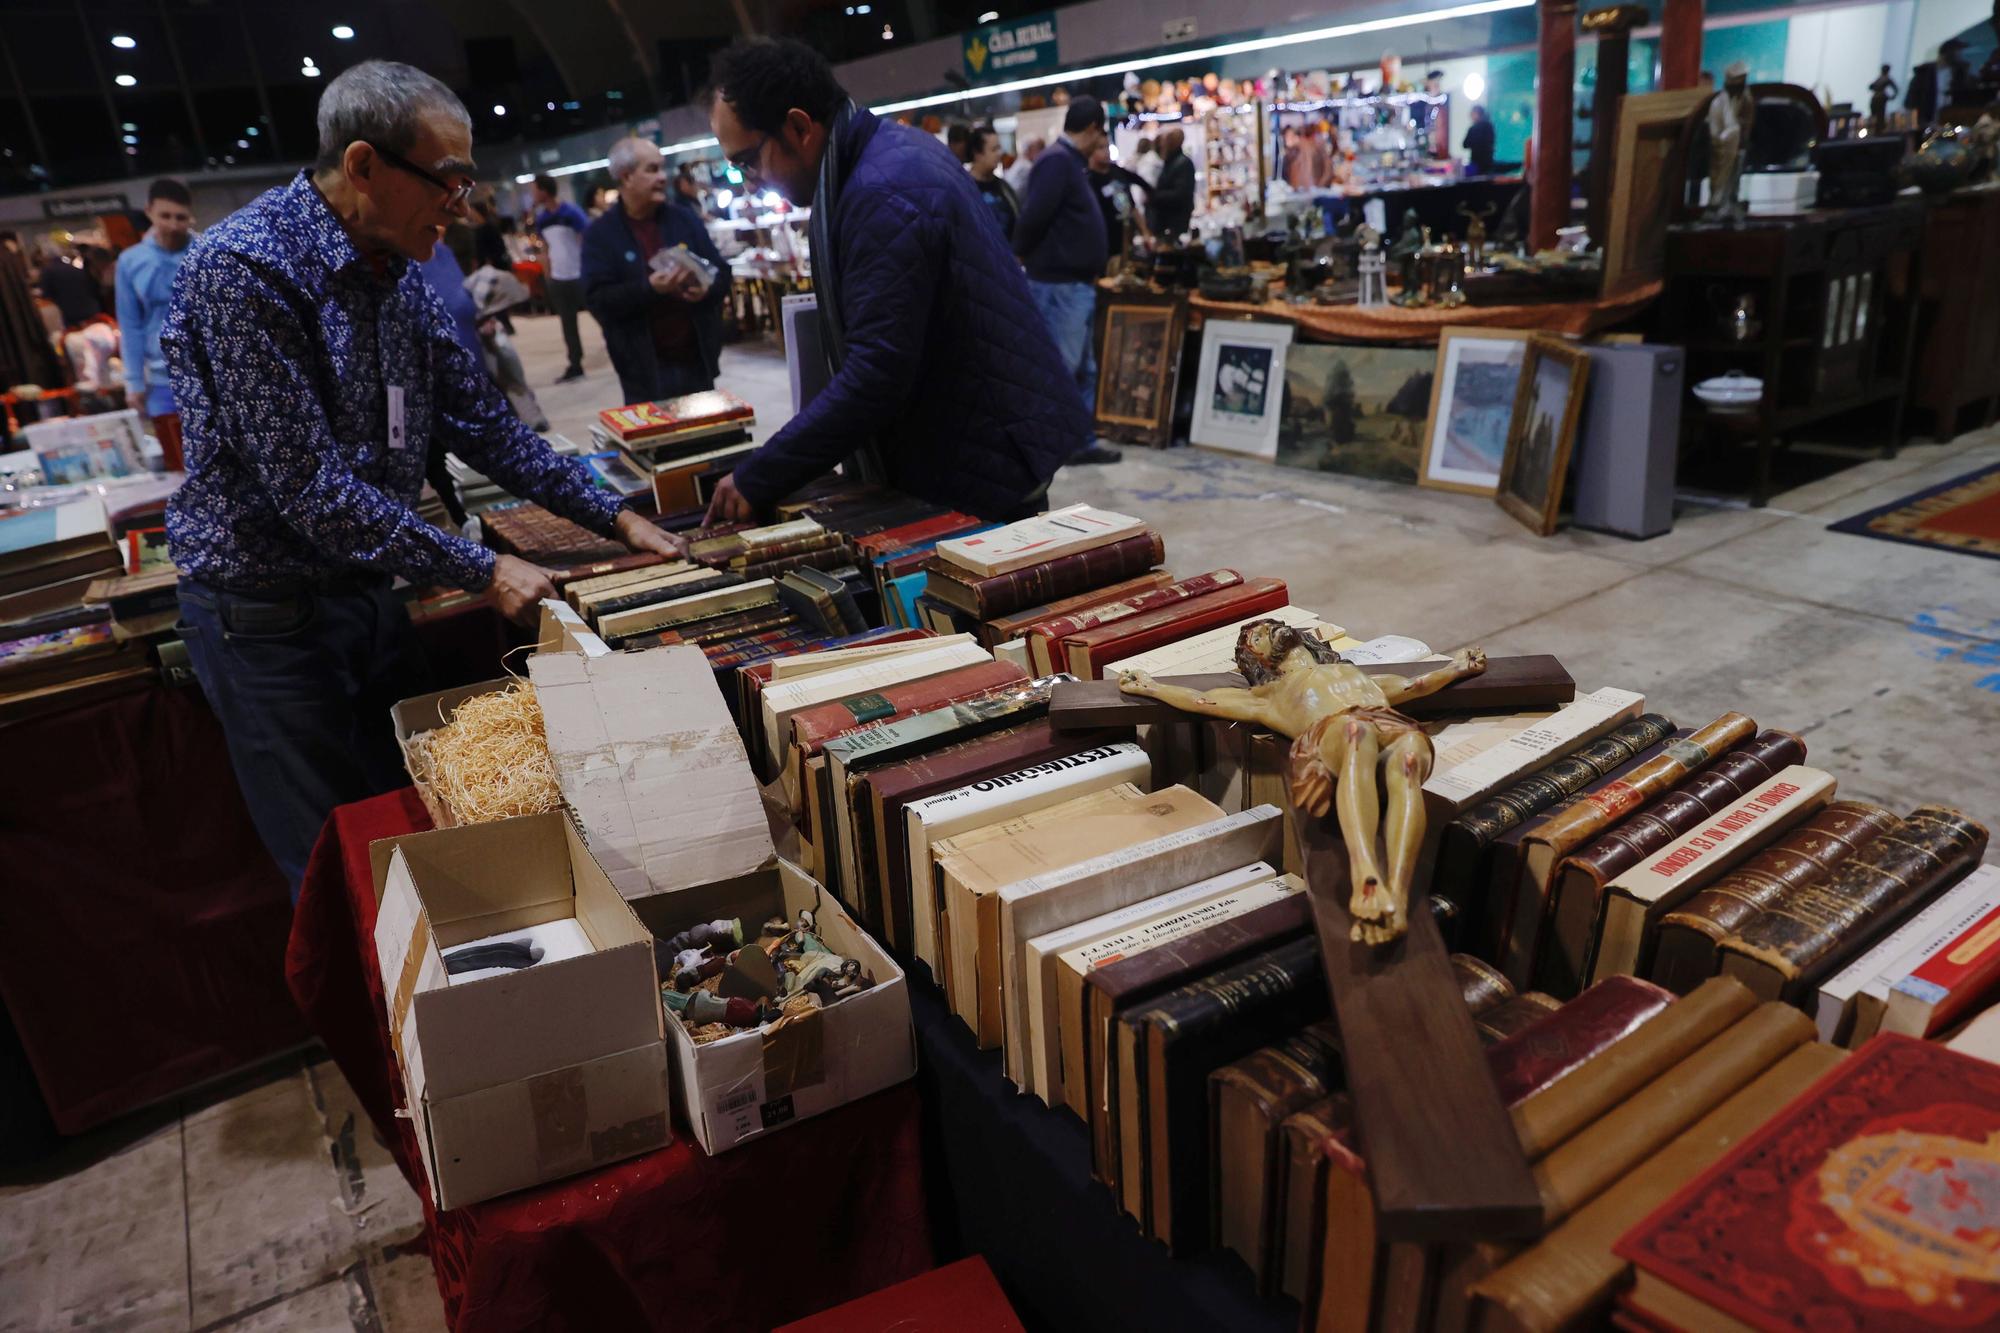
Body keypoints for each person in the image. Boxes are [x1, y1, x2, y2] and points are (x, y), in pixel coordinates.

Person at [161, 60, 677, 893]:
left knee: (426, 837)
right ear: (363, 165)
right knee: (348, 873)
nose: (463, 206)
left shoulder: (398, 275)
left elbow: (488, 430)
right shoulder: (242, 272)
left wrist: (617, 519)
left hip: (370, 594)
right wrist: (484, 566)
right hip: (268, 623)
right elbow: (311, 491)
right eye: (449, 180)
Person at [700, 38, 1088, 524]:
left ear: (799, 126)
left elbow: (877, 373)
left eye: (746, 161)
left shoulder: (881, 191)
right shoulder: (885, 154)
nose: (750, 180)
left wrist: (760, 475)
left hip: (980, 462)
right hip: (978, 442)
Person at [580, 136, 732, 407]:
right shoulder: (600, 235)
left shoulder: (684, 220)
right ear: (625, 177)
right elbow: (598, 301)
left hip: (698, 365)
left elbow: (721, 272)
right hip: (642, 375)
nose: (663, 177)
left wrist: (706, 288)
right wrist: (649, 289)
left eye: (662, 168)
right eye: (652, 170)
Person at [1014, 99, 1120, 465]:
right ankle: (1059, 443)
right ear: (1091, 128)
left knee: (1082, 368)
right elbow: (1033, 218)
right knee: (1065, 367)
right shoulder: (1058, 162)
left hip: (1074, 285)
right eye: (1101, 133)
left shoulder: (1067, 163)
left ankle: (1080, 440)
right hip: (1059, 286)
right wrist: (1019, 256)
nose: (1101, 142)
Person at [114, 177, 195, 468]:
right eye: (165, 216)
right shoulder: (130, 261)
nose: (173, 225)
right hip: (161, 382)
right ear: (149, 212)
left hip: (209, 377)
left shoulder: (207, 251)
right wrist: (133, 382)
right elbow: (130, 324)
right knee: (176, 464)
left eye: (180, 217)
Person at [529, 174, 590, 383]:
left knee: (602, 315)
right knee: (568, 324)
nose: (532, 194)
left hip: (579, 274)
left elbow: (585, 240)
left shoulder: (571, 212)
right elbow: (545, 247)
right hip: (558, 277)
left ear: (544, 191)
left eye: (534, 190)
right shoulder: (542, 219)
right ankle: (575, 363)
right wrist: (548, 274)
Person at [966, 123, 1019, 240]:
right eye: (994, 149)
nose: (999, 153)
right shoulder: (964, 188)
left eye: (999, 148)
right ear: (977, 154)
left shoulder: (1004, 187)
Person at [1908, 39, 1972, 126]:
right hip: (1926, 124)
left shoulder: (1960, 74)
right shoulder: (1924, 75)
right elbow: (1911, 101)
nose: (1960, 54)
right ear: (1948, 53)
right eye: (1958, 51)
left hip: (1951, 123)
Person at [1147, 127, 1195, 240]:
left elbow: (1180, 194)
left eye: (1164, 142)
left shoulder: (1181, 163)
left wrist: (1155, 196)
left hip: (1174, 223)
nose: (1161, 146)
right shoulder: (1172, 162)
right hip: (1168, 222)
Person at [1463, 104, 1497, 177]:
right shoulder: (1489, 126)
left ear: (1477, 114)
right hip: (1487, 163)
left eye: (1472, 114)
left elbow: (1465, 144)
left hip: (1478, 164)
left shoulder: (1474, 129)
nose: (1471, 116)